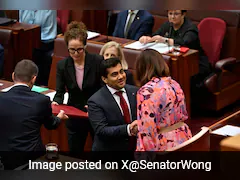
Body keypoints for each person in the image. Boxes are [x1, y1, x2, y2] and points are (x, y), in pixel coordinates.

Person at [0, 60, 68, 169]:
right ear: (34, 79)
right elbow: (50, 125)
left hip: (3, 159)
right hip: (31, 159)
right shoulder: (41, 100)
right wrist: (59, 118)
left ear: (13, 76)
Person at [52, 21, 103, 155]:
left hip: (95, 113)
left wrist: (95, 105)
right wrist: (56, 102)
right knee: (75, 153)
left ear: (85, 45)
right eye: (72, 50)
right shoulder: (62, 65)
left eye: (79, 49)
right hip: (74, 114)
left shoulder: (97, 61)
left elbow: (103, 88)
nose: (75, 53)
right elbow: (60, 91)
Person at [134, 49, 192, 151]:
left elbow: (147, 132)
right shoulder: (174, 83)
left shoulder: (146, 92)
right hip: (184, 138)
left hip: (164, 146)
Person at [139, 10, 211, 78]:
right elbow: (155, 36)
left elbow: (184, 42)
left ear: (183, 14)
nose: (172, 17)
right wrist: (147, 38)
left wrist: (165, 40)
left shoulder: (191, 27)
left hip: (195, 64)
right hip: (174, 61)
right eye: (170, 14)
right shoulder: (167, 25)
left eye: (176, 14)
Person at [88, 58, 139, 153]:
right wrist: (128, 129)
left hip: (134, 153)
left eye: (121, 72)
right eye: (114, 74)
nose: (121, 77)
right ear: (104, 79)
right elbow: (101, 130)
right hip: (109, 156)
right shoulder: (95, 101)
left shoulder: (136, 92)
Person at [19, 10, 57, 86]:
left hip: (45, 41)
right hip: (27, 39)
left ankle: (38, 84)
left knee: (34, 52)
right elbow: (22, 24)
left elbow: (45, 31)